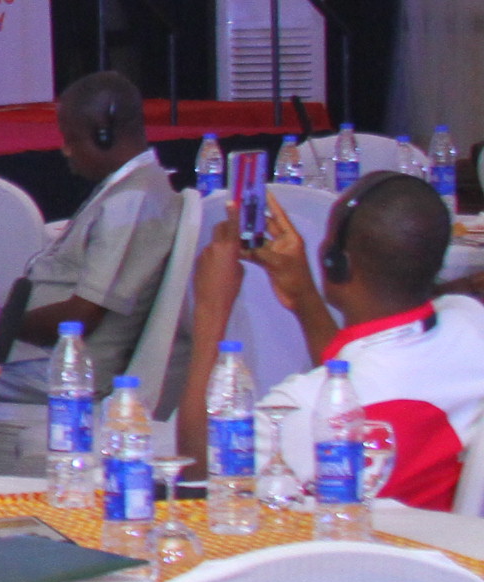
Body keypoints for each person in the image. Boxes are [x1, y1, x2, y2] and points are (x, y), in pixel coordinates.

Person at [173, 172, 484, 506]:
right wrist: (303, 297)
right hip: (437, 535)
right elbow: (361, 370)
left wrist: (211, 312)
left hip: (335, 538)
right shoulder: (469, 322)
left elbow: (201, 476)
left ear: (335, 263)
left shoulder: (299, 412)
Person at [0, 73, 179, 446]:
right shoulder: (126, 189)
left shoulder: (132, 200)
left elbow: (82, 315)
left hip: (66, 370)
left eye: (71, 139)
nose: (66, 151)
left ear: (103, 135)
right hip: (44, 357)